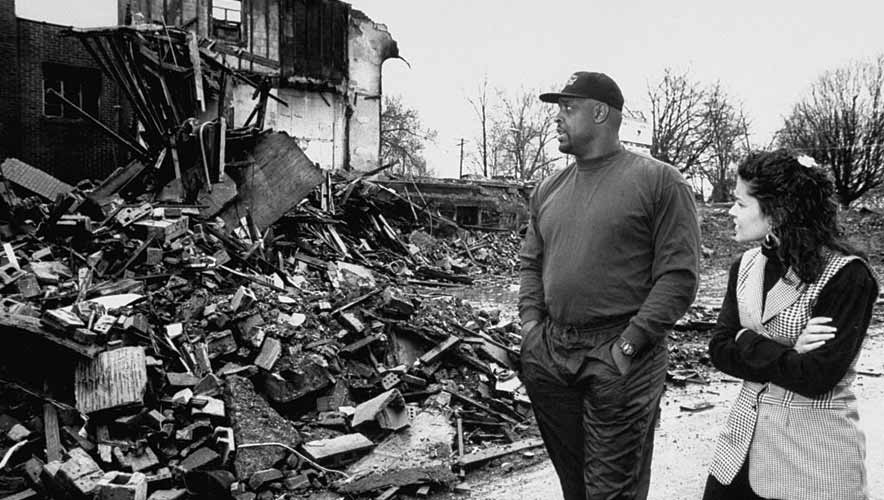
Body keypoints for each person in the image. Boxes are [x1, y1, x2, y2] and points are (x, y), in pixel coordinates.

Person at [519, 71, 700, 500]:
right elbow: (531, 262)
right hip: (552, 355)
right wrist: (531, 330)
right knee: (576, 488)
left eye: (568, 108)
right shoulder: (549, 188)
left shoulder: (660, 181)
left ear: (600, 113)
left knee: (611, 491)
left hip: (619, 356)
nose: (556, 119)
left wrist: (630, 345)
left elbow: (678, 276)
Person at [704, 149, 879, 500]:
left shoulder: (848, 276)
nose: (730, 212)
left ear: (776, 210)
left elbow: (816, 376)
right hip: (738, 450)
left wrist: (747, 340)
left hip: (813, 462)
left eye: (740, 203)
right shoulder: (745, 265)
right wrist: (789, 351)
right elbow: (719, 349)